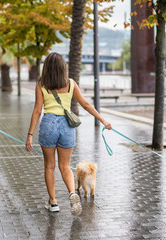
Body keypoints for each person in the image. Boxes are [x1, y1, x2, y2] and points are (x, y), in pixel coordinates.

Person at [25, 52, 112, 215]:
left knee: (49, 166)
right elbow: (86, 104)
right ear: (63, 67)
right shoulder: (71, 84)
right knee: (65, 166)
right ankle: (72, 192)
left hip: (49, 124)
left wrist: (29, 135)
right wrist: (104, 121)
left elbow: (37, 111)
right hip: (67, 126)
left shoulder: (41, 84)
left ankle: (53, 202)